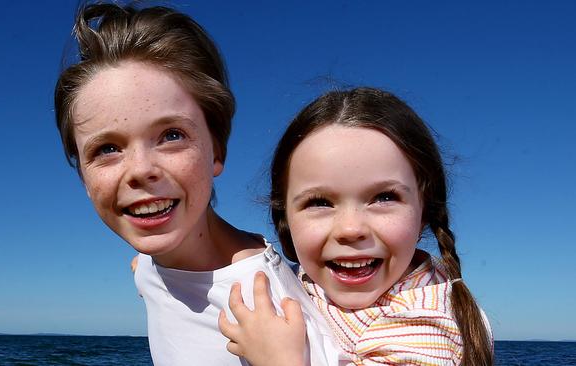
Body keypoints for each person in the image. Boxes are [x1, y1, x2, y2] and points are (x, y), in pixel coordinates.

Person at [54, 2, 339, 365]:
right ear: (83, 175)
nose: (140, 170)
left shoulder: (270, 312)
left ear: (216, 151)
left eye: (172, 135)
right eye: (107, 148)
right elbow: (145, 270)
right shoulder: (151, 263)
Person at [219, 87, 494, 365]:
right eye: (320, 202)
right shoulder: (299, 277)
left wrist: (278, 360)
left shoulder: (425, 325)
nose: (350, 229)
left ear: (425, 210)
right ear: (285, 217)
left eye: (384, 197)